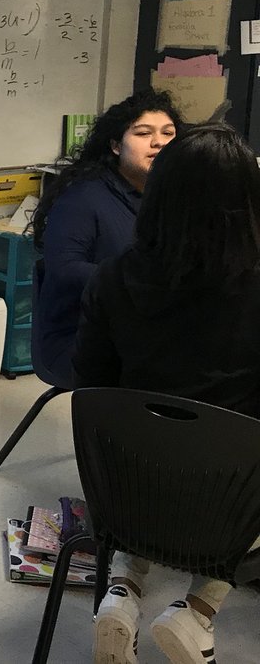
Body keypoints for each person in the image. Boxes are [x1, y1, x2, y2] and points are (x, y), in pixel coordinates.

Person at [74, 123, 260, 664]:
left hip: (125, 500)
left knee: (155, 446)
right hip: (231, 515)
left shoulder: (110, 280)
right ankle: (197, 612)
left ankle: (122, 589)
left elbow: (91, 391)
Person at [30, 88, 182, 381]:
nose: (158, 142)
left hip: (149, 326)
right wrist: (142, 282)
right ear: (115, 145)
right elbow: (65, 270)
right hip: (80, 337)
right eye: (142, 133)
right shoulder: (84, 197)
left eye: (168, 133)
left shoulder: (173, 198)